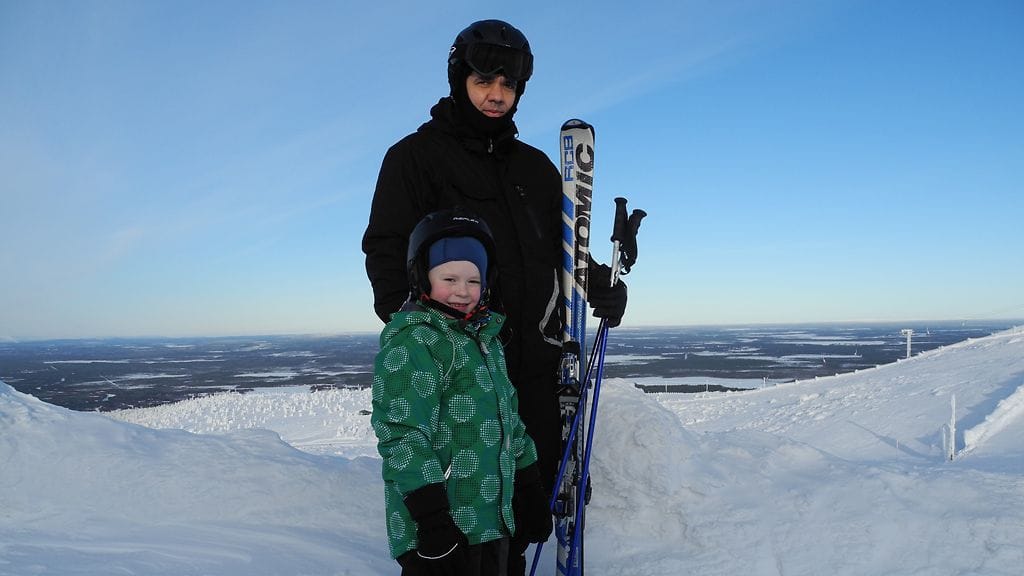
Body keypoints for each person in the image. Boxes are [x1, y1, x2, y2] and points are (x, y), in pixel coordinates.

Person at [362, 19, 627, 573]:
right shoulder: (415, 158)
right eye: (485, 79)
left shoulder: (533, 167)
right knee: (454, 524)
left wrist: (597, 281)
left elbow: (563, 244)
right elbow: (387, 253)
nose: (496, 94)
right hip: (456, 369)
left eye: (508, 85)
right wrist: (422, 337)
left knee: (520, 513)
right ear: (461, 77)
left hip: (531, 370)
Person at [371, 208, 552, 575]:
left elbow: (509, 423)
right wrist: (432, 520)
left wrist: (529, 490)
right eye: (449, 278)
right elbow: (402, 436)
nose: (462, 291)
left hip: (493, 523)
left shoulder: (486, 342)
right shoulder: (416, 343)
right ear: (423, 277)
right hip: (440, 533)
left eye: (473, 280)